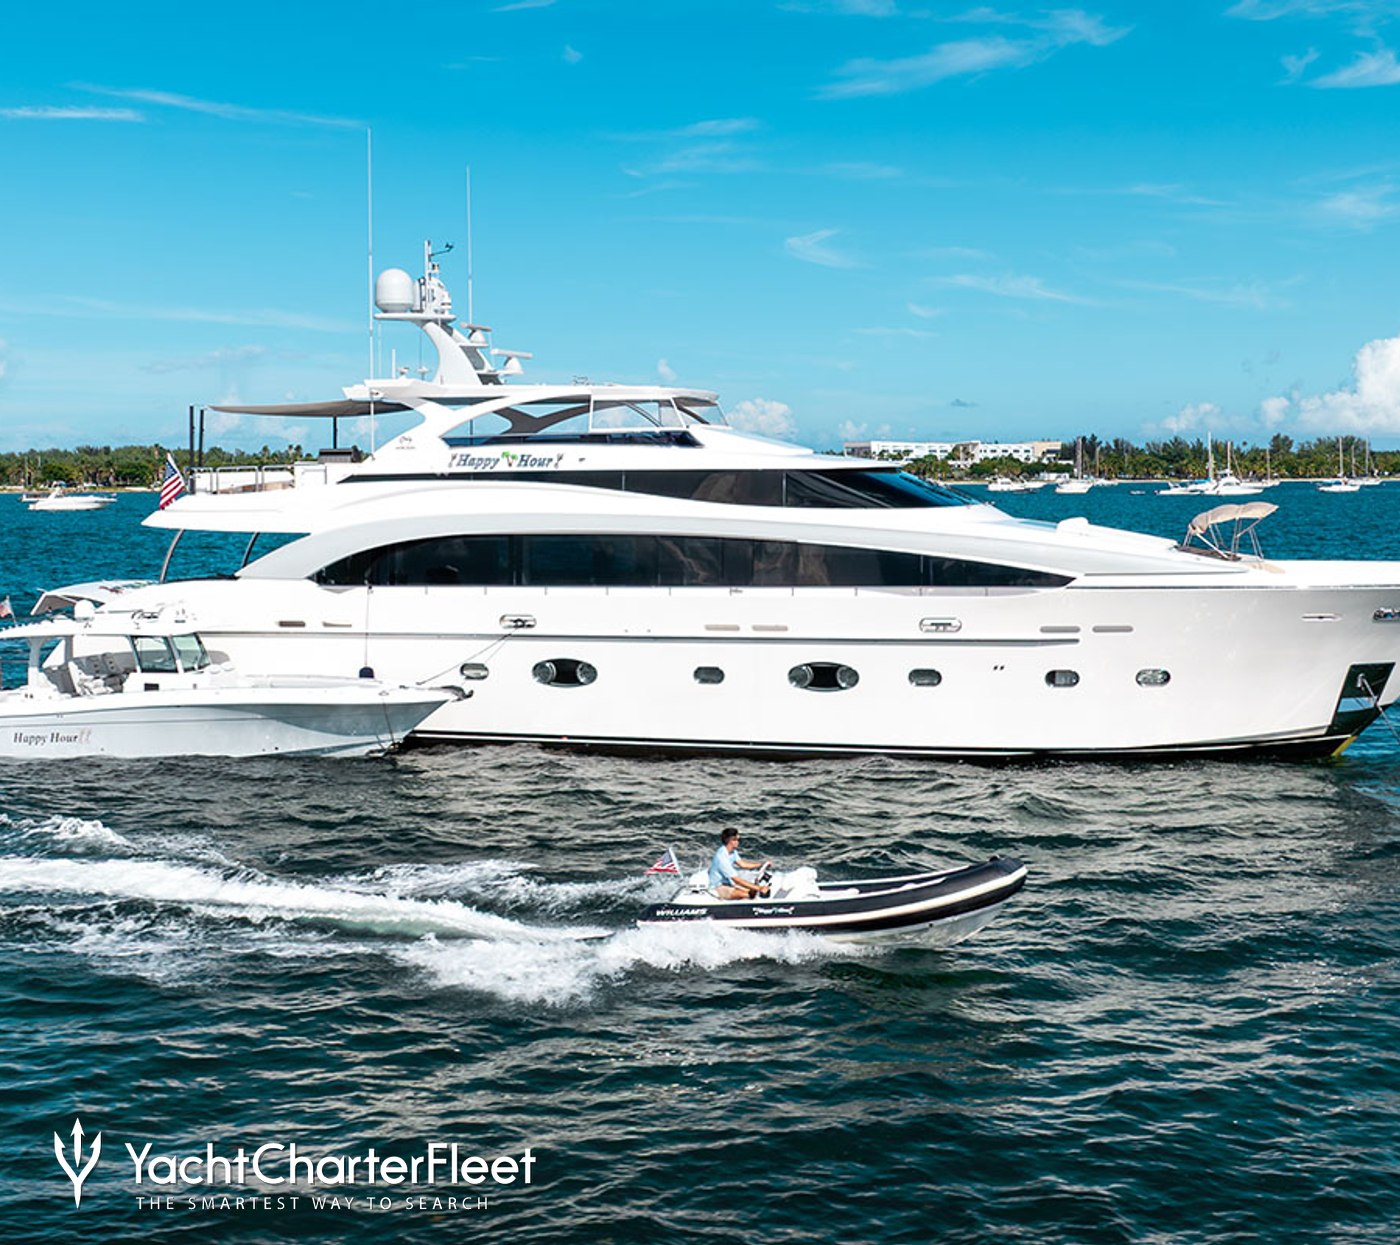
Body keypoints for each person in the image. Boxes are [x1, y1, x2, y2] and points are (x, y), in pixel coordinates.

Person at [708, 829, 771, 900]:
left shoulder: (733, 852)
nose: (737, 842)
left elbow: (743, 864)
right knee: (748, 895)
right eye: (735, 840)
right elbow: (736, 880)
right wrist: (759, 888)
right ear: (728, 840)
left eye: (737, 840)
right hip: (718, 887)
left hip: (728, 884)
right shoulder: (722, 857)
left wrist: (761, 865)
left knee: (752, 892)